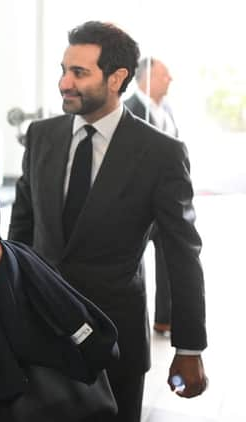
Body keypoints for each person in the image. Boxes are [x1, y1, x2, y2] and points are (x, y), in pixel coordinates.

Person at [0, 21, 207, 422]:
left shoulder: (161, 153)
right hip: (38, 333)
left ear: (117, 78)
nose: (64, 83)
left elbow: (182, 254)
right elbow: (21, 233)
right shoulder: (41, 136)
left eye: (79, 73)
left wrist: (188, 348)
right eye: (63, 70)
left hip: (114, 342)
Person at [126, 57, 177, 336]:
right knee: (132, 263)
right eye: (164, 75)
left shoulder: (167, 109)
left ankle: (164, 318)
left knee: (170, 260)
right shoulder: (129, 110)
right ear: (146, 78)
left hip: (166, 204)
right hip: (138, 203)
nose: (170, 80)